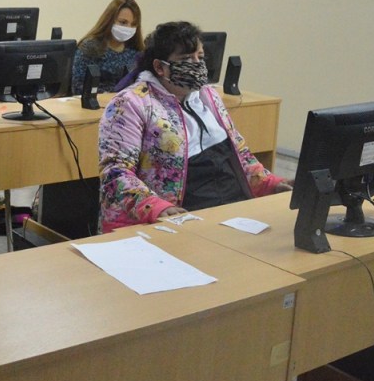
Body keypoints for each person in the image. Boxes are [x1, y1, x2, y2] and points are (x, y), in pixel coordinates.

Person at [98, 21, 290, 233]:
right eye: (186, 59)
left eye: (200, 57)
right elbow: (115, 173)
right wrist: (155, 207)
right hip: (176, 216)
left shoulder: (208, 95)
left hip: (231, 205)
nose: (197, 65)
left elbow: (239, 153)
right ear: (160, 67)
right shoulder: (130, 103)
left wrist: (270, 183)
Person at [71, 0, 144, 95]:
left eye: (133, 24)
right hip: (96, 102)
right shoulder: (90, 47)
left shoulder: (136, 52)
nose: (128, 28)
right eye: (123, 22)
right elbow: (78, 86)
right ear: (109, 20)